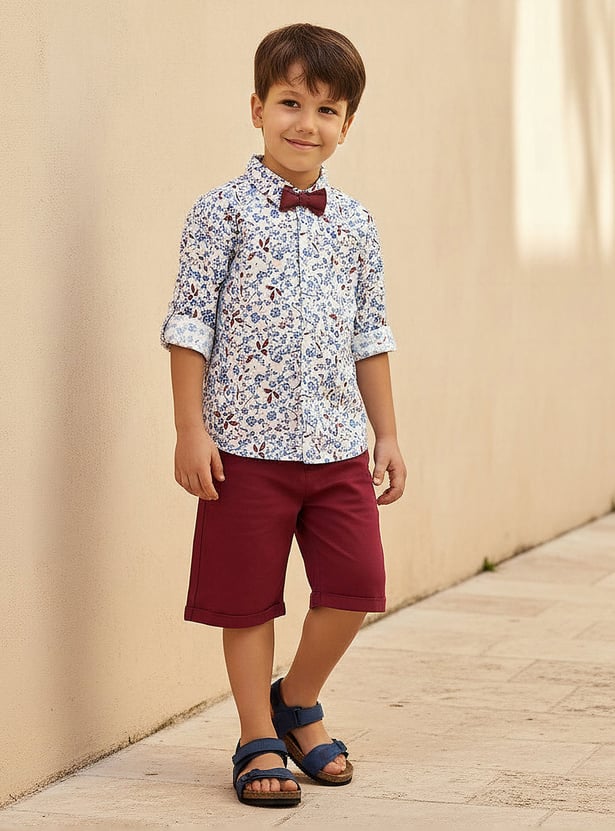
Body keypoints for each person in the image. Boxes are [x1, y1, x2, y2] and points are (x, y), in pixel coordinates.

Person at [160, 22, 406, 808]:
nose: (307, 122)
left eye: (326, 109)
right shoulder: (219, 213)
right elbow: (190, 325)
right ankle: (254, 734)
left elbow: (370, 333)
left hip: (335, 446)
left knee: (357, 584)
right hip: (243, 448)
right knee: (245, 597)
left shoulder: (355, 222)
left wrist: (387, 433)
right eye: (291, 102)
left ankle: (295, 700)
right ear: (257, 108)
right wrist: (189, 427)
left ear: (346, 125)